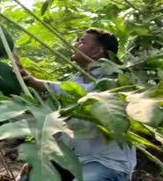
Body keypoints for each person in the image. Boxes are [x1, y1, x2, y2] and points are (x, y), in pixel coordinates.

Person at [14, 28, 137, 181]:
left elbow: (87, 96)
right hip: (72, 159)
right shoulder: (76, 80)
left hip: (104, 163)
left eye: (81, 41)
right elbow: (60, 121)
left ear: (97, 52)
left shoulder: (115, 80)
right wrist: (41, 156)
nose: (75, 44)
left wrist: (37, 83)